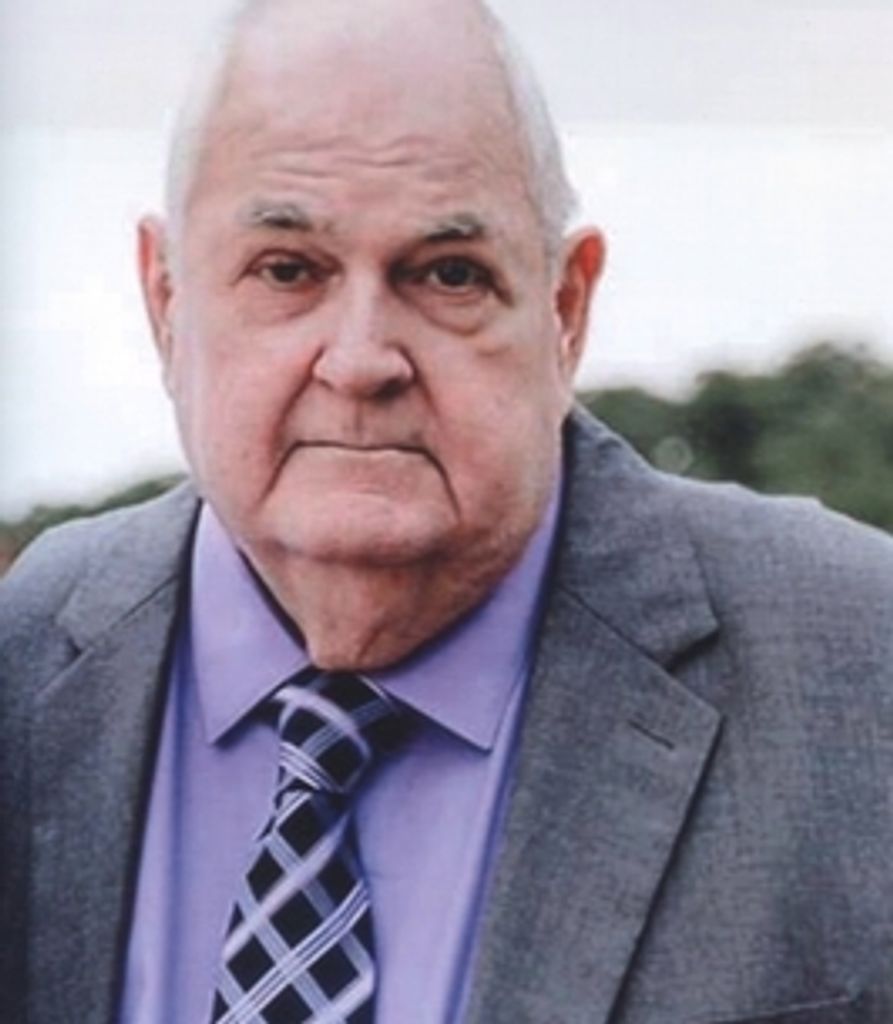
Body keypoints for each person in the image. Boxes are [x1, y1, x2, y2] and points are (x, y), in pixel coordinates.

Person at [2, 0, 893, 1021]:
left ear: (564, 311)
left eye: (448, 275)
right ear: (165, 300)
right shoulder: (22, 662)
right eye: (287, 270)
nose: (360, 359)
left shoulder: (858, 667)